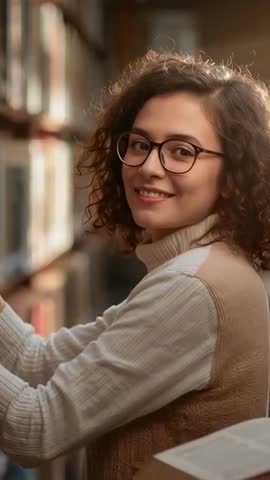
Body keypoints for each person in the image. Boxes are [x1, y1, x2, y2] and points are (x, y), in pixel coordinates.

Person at [0, 50, 270, 480]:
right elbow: (37, 361)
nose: (148, 167)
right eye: (141, 143)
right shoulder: (209, 264)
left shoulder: (192, 288)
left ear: (232, 172)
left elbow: (35, 429)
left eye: (182, 151)